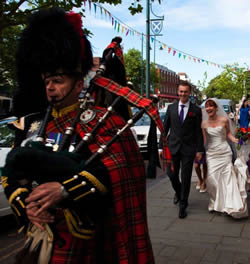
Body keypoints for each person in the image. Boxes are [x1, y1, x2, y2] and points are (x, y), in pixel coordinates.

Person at [2, 8, 155, 263]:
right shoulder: (30, 124)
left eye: (58, 80)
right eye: (47, 80)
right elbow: (11, 175)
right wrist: (25, 205)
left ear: (78, 83)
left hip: (87, 242)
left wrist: (64, 190)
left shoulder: (102, 121)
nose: (50, 87)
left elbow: (119, 170)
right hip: (40, 238)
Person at [160, 80, 204, 219]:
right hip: (172, 147)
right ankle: (179, 192)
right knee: (171, 174)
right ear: (178, 92)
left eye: (185, 91)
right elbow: (165, 129)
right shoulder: (171, 108)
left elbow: (198, 131)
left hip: (188, 149)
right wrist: (161, 147)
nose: (183, 94)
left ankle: (183, 204)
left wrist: (199, 150)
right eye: (181, 91)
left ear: (189, 93)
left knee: (185, 177)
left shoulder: (196, 110)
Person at [202, 98, 249, 218]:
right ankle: (215, 202)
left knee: (228, 180)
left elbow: (228, 133)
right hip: (211, 154)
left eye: (211, 106)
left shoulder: (224, 120)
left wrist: (235, 139)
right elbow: (204, 140)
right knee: (211, 180)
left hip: (224, 152)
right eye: (207, 106)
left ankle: (227, 205)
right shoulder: (204, 123)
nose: (209, 108)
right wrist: (199, 151)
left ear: (216, 108)